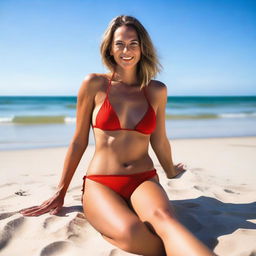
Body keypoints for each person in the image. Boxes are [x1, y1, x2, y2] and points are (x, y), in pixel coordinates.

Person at [20, 15, 214, 256]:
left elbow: (159, 139)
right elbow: (79, 140)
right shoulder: (93, 84)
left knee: (167, 223)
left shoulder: (156, 90)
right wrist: (60, 192)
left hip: (143, 179)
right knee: (134, 233)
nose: (126, 50)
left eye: (133, 43)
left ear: (143, 48)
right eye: (120, 43)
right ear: (110, 49)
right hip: (101, 183)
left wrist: (171, 171)